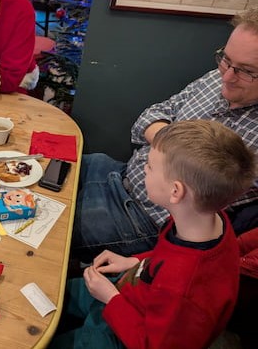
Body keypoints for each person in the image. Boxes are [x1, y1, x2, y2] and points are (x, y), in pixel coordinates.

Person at [72, 7, 258, 264]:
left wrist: (165, 144)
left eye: (246, 71)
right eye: (226, 60)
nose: (226, 76)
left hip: (139, 220)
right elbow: (153, 113)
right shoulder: (217, 78)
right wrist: (169, 144)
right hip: (120, 173)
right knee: (46, 166)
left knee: (47, 226)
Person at [53, 120, 255, 348]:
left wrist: (111, 299)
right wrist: (134, 261)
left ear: (175, 191)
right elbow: (166, 256)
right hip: (130, 289)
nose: (144, 169)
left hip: (124, 333)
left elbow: (149, 344)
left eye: (149, 166)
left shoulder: (183, 289)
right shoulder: (208, 222)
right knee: (56, 291)